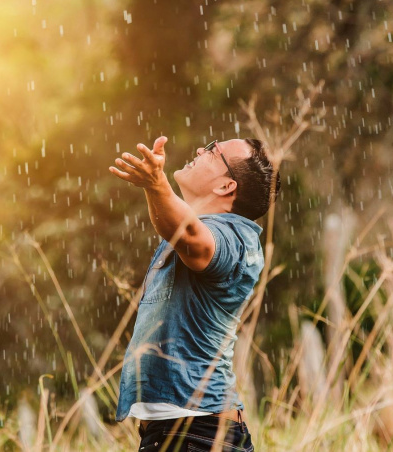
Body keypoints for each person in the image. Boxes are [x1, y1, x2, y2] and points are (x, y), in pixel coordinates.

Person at [108, 135, 280, 452]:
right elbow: (179, 228)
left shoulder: (235, 236)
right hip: (183, 434)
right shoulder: (210, 228)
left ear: (226, 187)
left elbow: (192, 238)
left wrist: (156, 182)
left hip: (196, 435)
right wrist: (153, 186)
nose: (201, 149)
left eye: (214, 151)